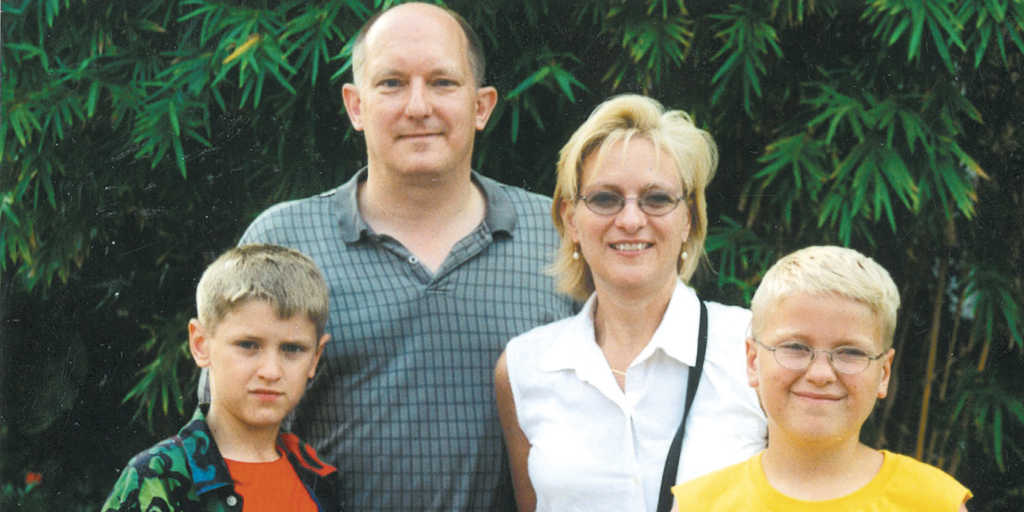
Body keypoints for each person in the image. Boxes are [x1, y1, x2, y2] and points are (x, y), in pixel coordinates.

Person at [196, 2, 577, 510]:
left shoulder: (556, 238)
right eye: (392, 83)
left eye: (442, 82)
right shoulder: (285, 238)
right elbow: (226, 432)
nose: (418, 106)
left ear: (481, 106)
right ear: (355, 105)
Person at [495, 94, 768, 512]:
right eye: (605, 198)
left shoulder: (754, 349)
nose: (630, 219)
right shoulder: (525, 367)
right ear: (571, 220)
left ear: (688, 219)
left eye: (656, 198)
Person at [671, 246, 973, 511]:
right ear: (752, 361)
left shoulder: (933, 503)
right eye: (795, 347)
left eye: (851, 353)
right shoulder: (701, 505)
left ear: (883, 373)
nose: (820, 374)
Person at [103, 244, 338, 512]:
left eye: (292, 348)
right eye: (248, 345)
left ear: (315, 358)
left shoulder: (318, 476)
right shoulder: (158, 477)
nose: (271, 371)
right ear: (201, 344)